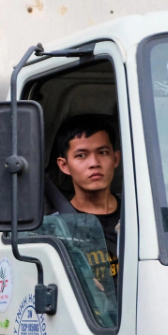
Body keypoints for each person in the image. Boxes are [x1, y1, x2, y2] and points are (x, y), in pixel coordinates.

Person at [54, 114, 122, 281]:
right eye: (81, 155)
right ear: (64, 165)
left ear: (116, 158)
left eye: (103, 152)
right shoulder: (56, 229)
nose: (94, 163)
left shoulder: (139, 215)